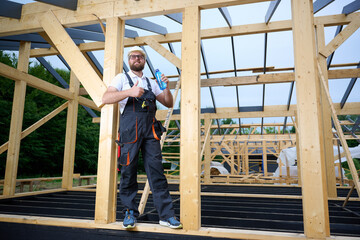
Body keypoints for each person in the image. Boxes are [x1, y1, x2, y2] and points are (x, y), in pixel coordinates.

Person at [102, 46, 182, 229]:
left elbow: (168, 103)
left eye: (140, 57)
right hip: (129, 132)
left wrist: (166, 89)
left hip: (150, 132)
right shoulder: (121, 78)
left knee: (157, 172)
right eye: (133, 57)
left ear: (144, 61)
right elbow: (106, 98)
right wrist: (129, 92)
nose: (137, 59)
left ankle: (166, 215)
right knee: (128, 171)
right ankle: (130, 212)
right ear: (129, 60)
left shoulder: (151, 82)